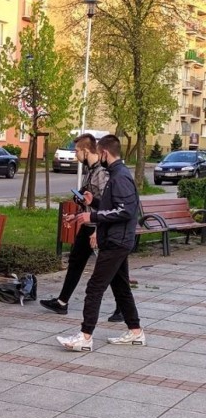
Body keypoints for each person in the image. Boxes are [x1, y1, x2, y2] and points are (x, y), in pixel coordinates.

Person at [56, 134, 144, 352]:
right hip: (117, 239)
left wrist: (93, 217)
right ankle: (136, 332)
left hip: (117, 241)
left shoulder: (119, 177)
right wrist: (91, 202)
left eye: (100, 153)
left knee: (94, 287)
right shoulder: (116, 174)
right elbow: (112, 206)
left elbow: (126, 210)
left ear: (104, 153)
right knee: (121, 287)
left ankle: (85, 337)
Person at [40, 133, 124, 322]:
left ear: (86, 150)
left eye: (76, 150)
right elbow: (91, 200)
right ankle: (62, 302)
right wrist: (76, 214)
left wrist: (96, 230)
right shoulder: (91, 169)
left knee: (115, 269)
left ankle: (122, 308)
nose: (75, 154)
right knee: (77, 260)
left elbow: (107, 204)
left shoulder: (101, 173)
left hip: (99, 225)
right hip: (88, 223)